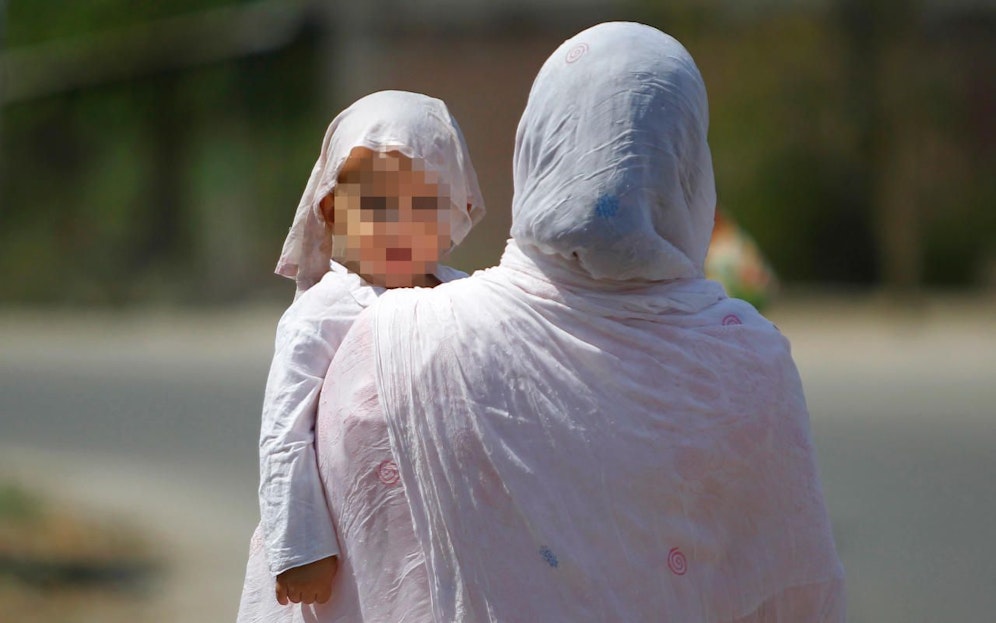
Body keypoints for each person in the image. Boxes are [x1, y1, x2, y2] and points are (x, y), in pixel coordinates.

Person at [298, 21, 845, 622]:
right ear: (687, 163)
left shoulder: (391, 349)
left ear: (535, 145)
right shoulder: (753, 364)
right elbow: (794, 593)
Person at [237, 90, 485, 621]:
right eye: (375, 206)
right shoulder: (322, 313)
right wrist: (302, 546)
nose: (398, 224)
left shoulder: (469, 298)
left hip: (441, 535)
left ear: (457, 210)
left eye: (423, 206)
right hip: (343, 548)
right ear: (331, 209)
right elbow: (284, 435)